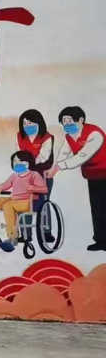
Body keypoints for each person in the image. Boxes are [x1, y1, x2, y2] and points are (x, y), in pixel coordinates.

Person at [55, 106, 106, 251]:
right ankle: (101, 240)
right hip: (93, 176)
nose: (66, 124)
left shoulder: (95, 134)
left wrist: (60, 166)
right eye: (64, 121)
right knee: (97, 208)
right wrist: (54, 167)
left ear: (81, 120)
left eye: (69, 121)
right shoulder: (70, 136)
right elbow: (63, 153)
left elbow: (82, 156)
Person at [0, 151, 49, 252]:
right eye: (15, 161)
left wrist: (32, 188)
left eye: (20, 161)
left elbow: (45, 189)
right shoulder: (14, 176)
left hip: (29, 201)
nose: (17, 163)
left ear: (28, 163)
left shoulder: (34, 174)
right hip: (14, 200)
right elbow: (4, 185)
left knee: (8, 205)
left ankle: (12, 237)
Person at [17, 109, 55, 176]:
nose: (27, 126)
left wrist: (28, 166)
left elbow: (43, 157)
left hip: (41, 169)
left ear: (38, 122)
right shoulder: (19, 136)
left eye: (30, 123)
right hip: (24, 169)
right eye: (24, 124)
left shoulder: (47, 137)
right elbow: (18, 153)